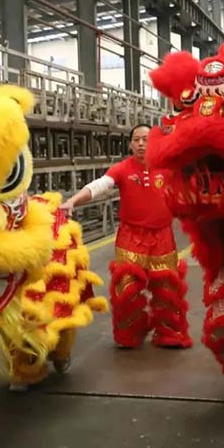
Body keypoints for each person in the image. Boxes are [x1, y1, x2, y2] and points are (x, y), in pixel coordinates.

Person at [61, 124, 192, 349]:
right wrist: (73, 200)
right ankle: (129, 333)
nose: (141, 144)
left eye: (146, 140)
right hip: (131, 237)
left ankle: (169, 333)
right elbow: (99, 186)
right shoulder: (122, 169)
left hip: (162, 237)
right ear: (130, 144)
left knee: (167, 288)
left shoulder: (168, 168)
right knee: (127, 288)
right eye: (137, 140)